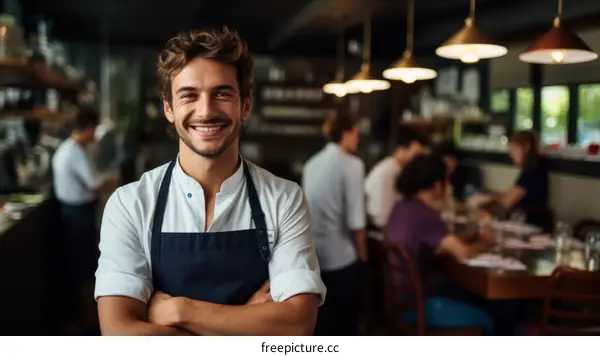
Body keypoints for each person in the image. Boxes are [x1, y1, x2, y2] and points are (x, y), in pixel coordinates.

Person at [94, 28, 326, 336]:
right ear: (169, 108)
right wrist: (245, 322)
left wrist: (179, 310)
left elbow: (297, 325)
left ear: (245, 105)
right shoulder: (130, 204)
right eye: (189, 95)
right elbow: (120, 334)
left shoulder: (284, 199)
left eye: (222, 93)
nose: (206, 111)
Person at [386, 154, 495, 335]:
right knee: (488, 320)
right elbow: (464, 253)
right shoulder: (427, 215)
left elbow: (434, 245)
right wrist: (486, 241)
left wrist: (470, 238)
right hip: (418, 306)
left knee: (457, 290)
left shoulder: (401, 207)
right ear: (438, 186)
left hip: (397, 302)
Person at [51, 107, 118, 331]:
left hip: (71, 212)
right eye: (94, 130)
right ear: (89, 129)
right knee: (83, 268)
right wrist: (116, 181)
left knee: (77, 265)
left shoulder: (69, 148)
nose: (94, 135)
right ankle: (84, 322)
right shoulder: (75, 153)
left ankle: (79, 317)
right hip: (77, 215)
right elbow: (95, 184)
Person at [302, 115, 367, 336]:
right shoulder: (353, 165)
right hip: (342, 261)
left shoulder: (311, 163)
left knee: (321, 326)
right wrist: (364, 259)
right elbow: (356, 221)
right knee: (346, 327)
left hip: (314, 260)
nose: (358, 140)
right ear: (346, 133)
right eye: (357, 134)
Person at [364, 130, 426, 229]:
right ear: (400, 150)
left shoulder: (395, 168)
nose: (417, 161)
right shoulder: (390, 171)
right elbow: (382, 218)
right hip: (377, 231)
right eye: (415, 155)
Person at [492, 131, 549, 212]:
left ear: (526, 147)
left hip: (528, 220)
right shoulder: (534, 168)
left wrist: (487, 198)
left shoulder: (532, 172)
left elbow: (507, 201)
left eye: (514, 150)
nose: (511, 155)